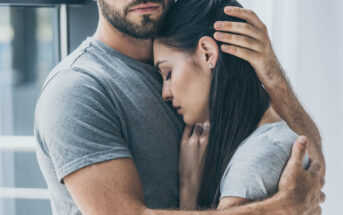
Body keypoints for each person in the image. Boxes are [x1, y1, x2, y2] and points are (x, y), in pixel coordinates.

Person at [34, 0, 325, 214]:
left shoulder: (198, 62)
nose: (166, 92)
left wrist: (272, 74)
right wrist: (281, 207)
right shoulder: (78, 88)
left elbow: (309, 162)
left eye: (168, 75)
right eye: (165, 75)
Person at [153, 0, 314, 210]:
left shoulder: (256, 157)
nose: (165, 93)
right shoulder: (271, 137)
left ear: (207, 53)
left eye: (168, 74)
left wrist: (189, 189)